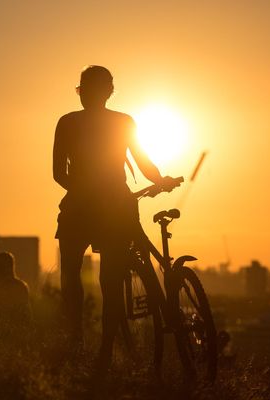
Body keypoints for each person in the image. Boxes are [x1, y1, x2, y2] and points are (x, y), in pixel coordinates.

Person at [53, 65, 177, 368]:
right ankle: (106, 351)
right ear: (109, 91)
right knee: (110, 281)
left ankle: (76, 340)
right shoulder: (123, 122)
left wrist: (83, 191)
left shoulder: (68, 123)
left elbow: (58, 173)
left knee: (71, 276)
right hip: (116, 206)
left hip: (80, 206)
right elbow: (143, 161)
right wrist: (160, 180)